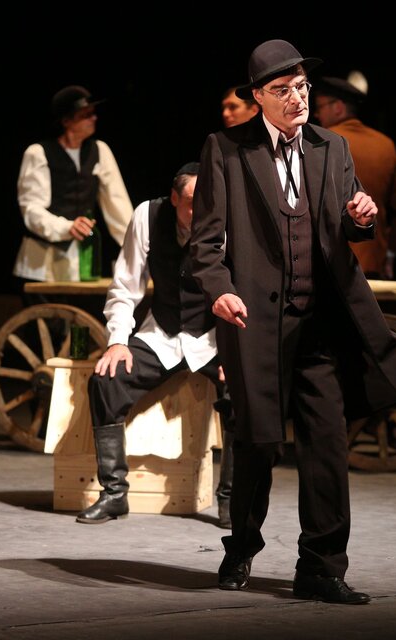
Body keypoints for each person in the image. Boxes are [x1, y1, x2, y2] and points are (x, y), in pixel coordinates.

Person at [191, 40, 396, 604]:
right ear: (258, 98)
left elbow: (346, 223)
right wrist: (220, 290)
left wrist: (361, 216)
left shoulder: (333, 146)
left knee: (326, 444)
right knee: (258, 443)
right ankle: (242, 544)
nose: (298, 98)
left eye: (302, 87)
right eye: (283, 90)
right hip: (255, 324)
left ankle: (321, 568)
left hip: (319, 323)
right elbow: (205, 244)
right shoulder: (226, 150)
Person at [80, 162, 235, 529]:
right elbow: (125, 285)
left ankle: (233, 500)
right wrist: (118, 341)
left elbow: (245, 294)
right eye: (192, 203)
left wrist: (237, 354)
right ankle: (114, 493)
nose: (201, 211)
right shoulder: (147, 216)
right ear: (174, 199)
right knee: (107, 380)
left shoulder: (229, 222)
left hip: (214, 338)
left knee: (243, 393)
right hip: (162, 334)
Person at [13, 85, 134, 284]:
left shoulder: (99, 151)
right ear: (66, 121)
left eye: (93, 113)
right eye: (85, 115)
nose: (94, 118)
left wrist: (137, 248)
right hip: (41, 265)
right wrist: (66, 227)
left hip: (81, 262)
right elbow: (32, 209)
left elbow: (118, 206)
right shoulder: (38, 153)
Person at [312, 75, 396, 280]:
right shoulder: (385, 145)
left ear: (338, 107)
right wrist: (390, 253)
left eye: (320, 107)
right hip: (372, 265)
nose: (316, 114)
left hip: (329, 266)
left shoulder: (318, 143)